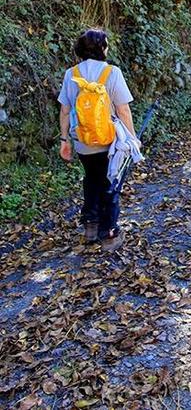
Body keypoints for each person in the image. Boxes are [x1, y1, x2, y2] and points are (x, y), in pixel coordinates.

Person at [58, 29, 138, 251]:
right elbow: (123, 110)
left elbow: (64, 110)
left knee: (91, 179)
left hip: (83, 140)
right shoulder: (112, 72)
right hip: (108, 140)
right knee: (109, 182)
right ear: (102, 48)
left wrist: (64, 140)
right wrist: (132, 139)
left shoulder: (71, 74)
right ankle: (109, 233)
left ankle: (90, 226)